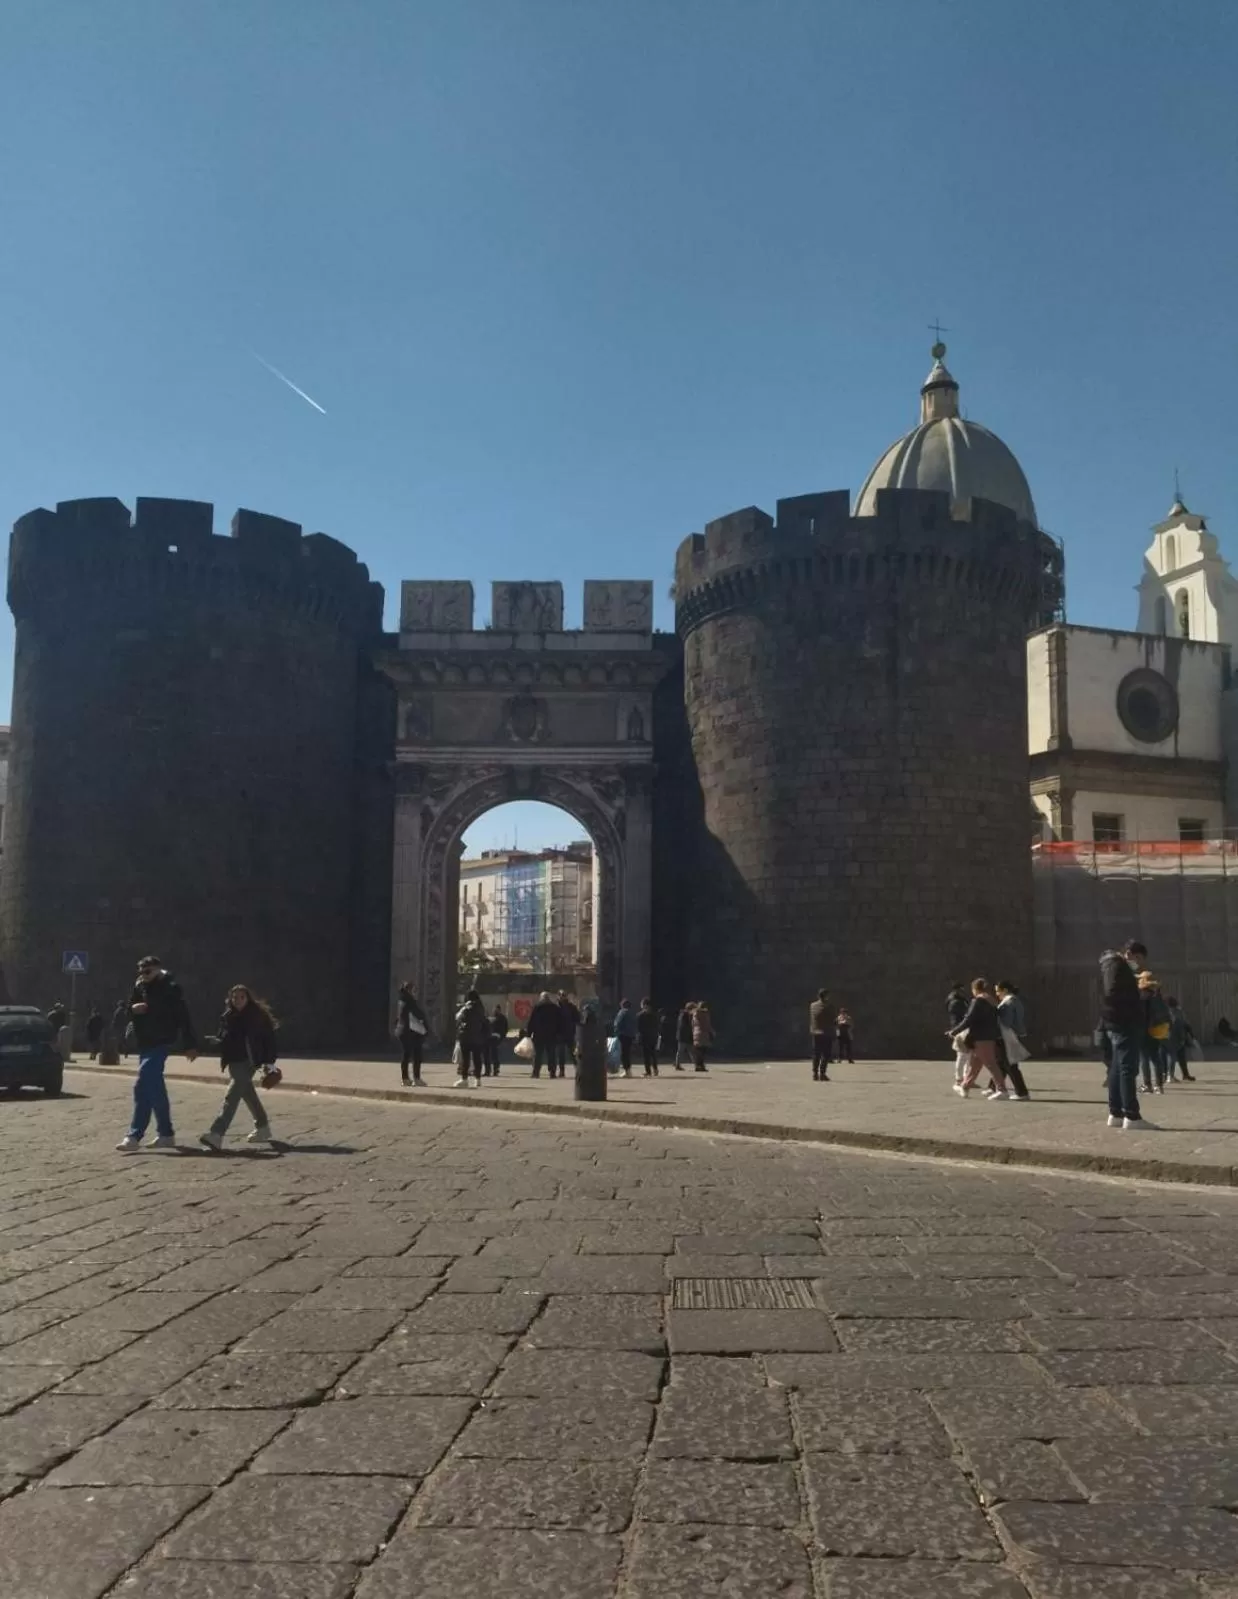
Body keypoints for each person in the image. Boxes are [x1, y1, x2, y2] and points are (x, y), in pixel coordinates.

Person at [116, 956, 199, 1152]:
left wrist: (190, 1043)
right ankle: (165, 1134)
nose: (143, 975)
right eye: (141, 971)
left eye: (148, 971)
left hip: (161, 1041)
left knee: (143, 1081)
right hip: (144, 1042)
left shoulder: (171, 988)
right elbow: (127, 1010)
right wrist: (133, 1009)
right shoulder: (139, 987)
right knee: (148, 1086)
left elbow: (183, 1016)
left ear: (158, 970)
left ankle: (135, 1135)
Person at [199, 986, 279, 1150]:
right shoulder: (228, 1016)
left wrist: (269, 1062)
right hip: (233, 1062)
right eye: (235, 998)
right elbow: (225, 1037)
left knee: (232, 1096)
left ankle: (216, 1133)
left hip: (249, 1061)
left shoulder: (257, 1016)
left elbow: (269, 1039)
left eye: (242, 997)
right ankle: (263, 1128)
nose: (238, 1001)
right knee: (248, 1094)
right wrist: (217, 1040)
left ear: (248, 998)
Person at [1100, 940, 1151, 1129]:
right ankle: (1132, 1115)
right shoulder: (1117, 966)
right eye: (1138, 958)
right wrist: (1139, 992)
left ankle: (1116, 1113)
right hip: (1125, 1023)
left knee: (1116, 1068)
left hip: (1115, 1023)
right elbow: (1113, 993)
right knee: (1128, 1069)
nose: (1138, 963)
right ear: (1129, 953)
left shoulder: (1111, 965)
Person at [949, 979, 1010, 1099]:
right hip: (989, 1035)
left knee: (990, 1063)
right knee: (975, 1063)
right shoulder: (992, 1001)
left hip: (981, 1037)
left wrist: (955, 1031)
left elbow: (969, 1018)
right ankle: (965, 1086)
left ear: (975, 989)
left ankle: (1002, 1090)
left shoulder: (978, 1001)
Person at [994, 982, 1031, 1101]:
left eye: (998, 991)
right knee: (1003, 1063)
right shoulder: (1015, 1000)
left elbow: (1006, 1021)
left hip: (1007, 1036)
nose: (997, 994)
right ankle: (994, 1087)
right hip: (1012, 1035)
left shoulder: (1009, 1002)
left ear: (1004, 990)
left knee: (1009, 1064)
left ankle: (1021, 1092)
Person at [1138, 970, 1172, 1095]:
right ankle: (1159, 1085)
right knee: (1156, 1058)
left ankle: (1147, 1085)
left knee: (1144, 1059)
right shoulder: (1157, 996)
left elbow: (1141, 1015)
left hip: (1144, 1031)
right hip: (1156, 1031)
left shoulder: (1142, 997)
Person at [453, 988, 489, 1087]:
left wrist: (463, 1007)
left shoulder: (466, 1007)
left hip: (466, 1036)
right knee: (477, 1058)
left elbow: (458, 1017)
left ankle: (464, 1079)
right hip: (478, 1037)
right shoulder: (481, 1008)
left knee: (466, 1059)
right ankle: (478, 1079)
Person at [395, 981, 428, 1087]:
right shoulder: (409, 1000)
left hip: (402, 1030)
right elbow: (418, 1014)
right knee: (416, 1054)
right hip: (411, 1031)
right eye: (414, 989)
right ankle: (416, 1079)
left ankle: (405, 1079)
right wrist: (425, 1024)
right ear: (410, 990)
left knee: (406, 1054)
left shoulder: (402, 1000)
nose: (415, 992)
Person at [527, 991, 562, 1080]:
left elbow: (532, 1022)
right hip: (551, 1035)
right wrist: (559, 1033)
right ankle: (552, 1072)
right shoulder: (555, 1008)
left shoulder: (538, 1008)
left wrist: (529, 1033)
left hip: (539, 1035)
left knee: (538, 1055)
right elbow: (560, 1023)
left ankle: (536, 1072)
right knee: (551, 1055)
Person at [1165, 996, 1196, 1083]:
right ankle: (1172, 1076)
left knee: (1175, 1057)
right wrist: (1189, 1034)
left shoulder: (1168, 1012)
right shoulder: (1178, 1012)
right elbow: (1183, 1024)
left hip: (1170, 1037)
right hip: (1177, 1038)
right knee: (1175, 1057)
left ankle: (1175, 1075)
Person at [809, 989, 837, 1081]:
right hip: (826, 1033)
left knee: (816, 1054)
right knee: (826, 1054)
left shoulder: (812, 1005)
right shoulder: (830, 1007)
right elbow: (833, 1019)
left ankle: (814, 1073)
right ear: (826, 996)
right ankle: (822, 1073)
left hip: (816, 1033)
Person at [946, 983, 970, 1088]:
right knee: (962, 1055)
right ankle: (960, 1078)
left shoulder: (958, 1000)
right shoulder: (956, 1002)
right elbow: (961, 1017)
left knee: (966, 1055)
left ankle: (965, 1078)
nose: (963, 991)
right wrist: (956, 1030)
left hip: (960, 1028)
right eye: (961, 989)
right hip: (961, 1029)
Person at [556, 991, 581, 1078]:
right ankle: (563, 1071)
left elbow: (577, 1018)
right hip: (562, 1033)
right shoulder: (557, 1007)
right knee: (563, 1053)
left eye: (563, 996)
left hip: (567, 1032)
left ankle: (578, 1069)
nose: (562, 997)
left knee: (571, 1052)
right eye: (561, 996)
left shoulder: (568, 1007)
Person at [613, 997, 638, 1077]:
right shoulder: (632, 1013)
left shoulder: (622, 1012)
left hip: (622, 1035)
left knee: (624, 1053)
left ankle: (627, 1071)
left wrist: (615, 1032)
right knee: (627, 1053)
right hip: (630, 1035)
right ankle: (628, 1070)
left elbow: (617, 1023)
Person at [691, 1001, 715, 1071]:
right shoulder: (705, 1014)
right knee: (702, 1051)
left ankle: (698, 1066)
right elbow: (707, 1025)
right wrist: (712, 1031)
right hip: (703, 1033)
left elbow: (692, 1024)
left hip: (695, 1033)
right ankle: (701, 1066)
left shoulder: (694, 1013)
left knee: (698, 1051)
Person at [488, 1005, 509, 1076]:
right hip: (492, 1037)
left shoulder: (501, 1018)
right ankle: (494, 1068)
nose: (495, 1011)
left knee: (494, 1053)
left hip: (496, 1037)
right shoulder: (493, 1018)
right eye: (494, 1010)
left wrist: (502, 1036)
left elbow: (506, 1028)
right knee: (492, 1053)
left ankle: (495, 1068)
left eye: (496, 1010)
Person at [675, 1002, 695, 1070]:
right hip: (683, 1036)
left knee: (691, 1051)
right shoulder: (684, 1015)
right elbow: (683, 1027)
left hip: (687, 1036)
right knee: (681, 1051)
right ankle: (677, 1065)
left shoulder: (686, 1015)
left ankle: (696, 1064)